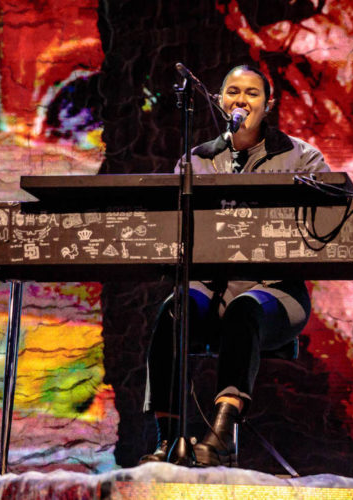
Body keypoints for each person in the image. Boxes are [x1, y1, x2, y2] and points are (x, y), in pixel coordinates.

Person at [140, 65, 330, 466]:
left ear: (268, 104)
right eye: (232, 91)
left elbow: (333, 214)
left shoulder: (303, 157)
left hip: (275, 290)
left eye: (252, 93)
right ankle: (168, 439)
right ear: (219, 100)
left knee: (245, 309)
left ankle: (221, 433)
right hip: (210, 288)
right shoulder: (196, 161)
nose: (241, 100)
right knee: (174, 310)